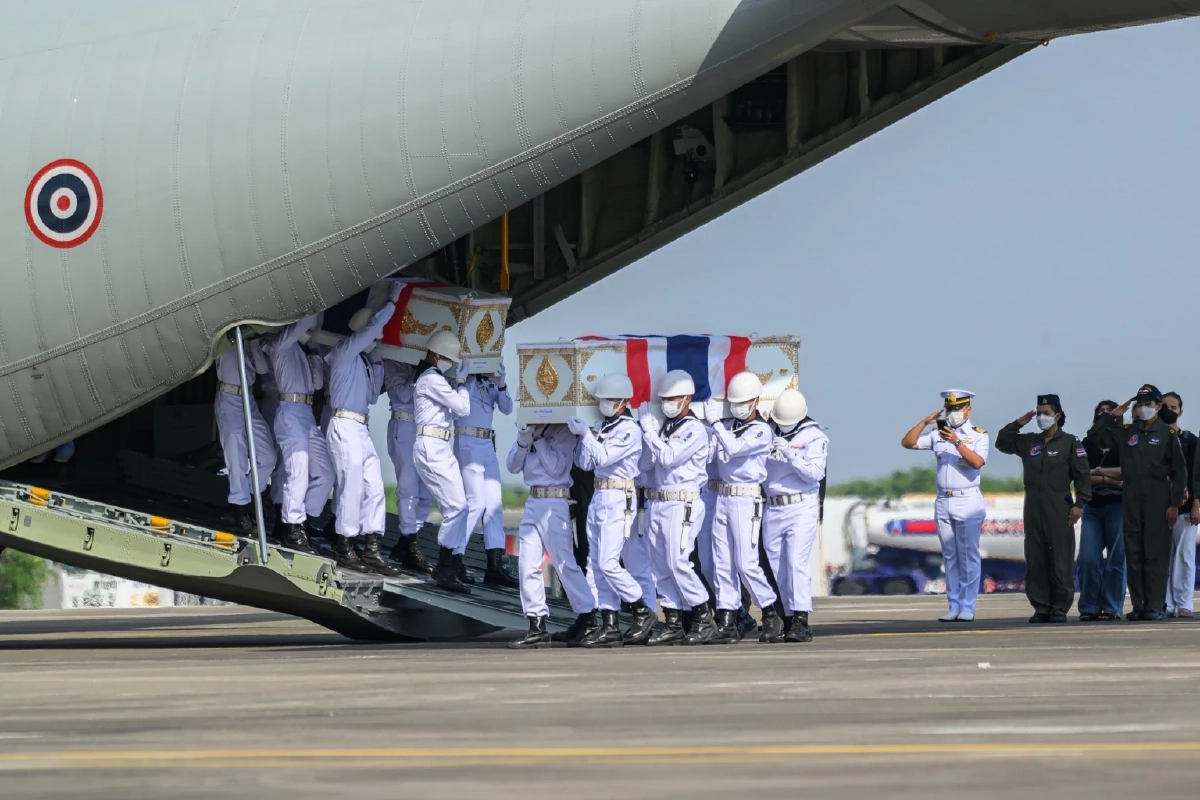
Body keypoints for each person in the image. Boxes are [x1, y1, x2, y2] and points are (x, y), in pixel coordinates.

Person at [569, 373, 656, 647]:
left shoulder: (629, 429)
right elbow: (584, 463)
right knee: (595, 565)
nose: (605, 404)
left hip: (619, 495)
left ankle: (642, 609)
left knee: (608, 562)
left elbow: (605, 457)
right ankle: (610, 622)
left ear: (622, 401)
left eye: (610, 400)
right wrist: (587, 437)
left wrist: (588, 436)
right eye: (602, 400)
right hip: (599, 493)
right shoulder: (602, 427)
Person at [1087, 384, 1187, 621]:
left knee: (1155, 553)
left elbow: (1180, 472)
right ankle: (1139, 605)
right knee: (1134, 553)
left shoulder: (1167, 434)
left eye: (1148, 404)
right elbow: (1094, 436)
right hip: (1131, 499)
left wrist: (1174, 505)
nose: (1144, 408)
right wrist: (1113, 416)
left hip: (1158, 499)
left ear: (1158, 406)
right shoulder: (1128, 432)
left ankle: (1154, 605)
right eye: (1140, 404)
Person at [995, 395, 1091, 623]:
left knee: (1060, 558)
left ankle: (1059, 607)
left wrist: (1079, 504)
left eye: (1046, 413)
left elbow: (1083, 476)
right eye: (1038, 413)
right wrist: (1019, 422)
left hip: (1060, 505)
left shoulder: (1070, 443)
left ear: (1057, 415)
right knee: (1036, 559)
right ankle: (1041, 607)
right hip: (1033, 506)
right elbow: (1002, 442)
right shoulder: (1030, 442)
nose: (1041, 417)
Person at [702, 372, 782, 644]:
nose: (738, 406)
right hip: (723, 496)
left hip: (746, 498)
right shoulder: (727, 427)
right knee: (721, 561)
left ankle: (770, 611)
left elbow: (735, 449)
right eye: (735, 402)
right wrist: (709, 427)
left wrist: (715, 423)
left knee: (746, 562)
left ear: (756, 401)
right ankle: (728, 617)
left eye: (744, 401)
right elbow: (712, 455)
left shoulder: (761, 430)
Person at [639, 369, 715, 645]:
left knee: (678, 561)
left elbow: (669, 458)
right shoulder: (663, 428)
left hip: (683, 503)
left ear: (687, 399)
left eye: (672, 398)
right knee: (660, 565)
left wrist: (650, 432)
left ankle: (703, 616)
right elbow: (647, 463)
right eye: (664, 399)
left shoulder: (694, 429)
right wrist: (648, 434)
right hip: (658, 501)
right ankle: (673, 620)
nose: (667, 403)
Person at [506, 423, 598, 649]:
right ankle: (536, 624)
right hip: (533, 500)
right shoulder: (528, 431)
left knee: (564, 563)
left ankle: (589, 615)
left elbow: (556, 467)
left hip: (556, 501)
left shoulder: (564, 432)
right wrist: (524, 440)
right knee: (527, 565)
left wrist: (538, 440)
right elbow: (512, 466)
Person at [324, 299, 398, 574]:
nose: (378, 336)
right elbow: (372, 329)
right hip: (343, 424)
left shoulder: (365, 362)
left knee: (374, 487)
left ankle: (372, 547)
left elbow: (370, 396)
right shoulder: (344, 352)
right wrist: (390, 303)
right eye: (374, 332)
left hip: (361, 427)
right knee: (351, 485)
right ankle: (344, 545)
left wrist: (378, 363)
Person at [901, 390, 989, 622]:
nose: (952, 413)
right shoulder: (937, 434)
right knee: (950, 555)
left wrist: (957, 442)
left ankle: (968, 606)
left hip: (967, 500)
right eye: (949, 409)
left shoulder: (978, 435)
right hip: (944, 500)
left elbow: (977, 462)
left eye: (957, 409)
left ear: (968, 410)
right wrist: (924, 422)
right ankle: (954, 604)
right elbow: (908, 443)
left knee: (968, 554)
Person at [261, 313, 335, 555]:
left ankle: (301, 521)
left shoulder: (303, 351)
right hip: (289, 411)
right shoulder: (281, 344)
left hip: (305, 413)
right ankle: (292, 528)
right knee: (298, 472)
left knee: (326, 473)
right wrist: (315, 307)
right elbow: (300, 326)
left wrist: (314, 350)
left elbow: (316, 384)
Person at [760, 388, 827, 643]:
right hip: (774, 505)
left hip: (800, 505)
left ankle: (801, 620)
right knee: (778, 567)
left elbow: (815, 474)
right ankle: (787, 618)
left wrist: (791, 454)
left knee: (796, 563)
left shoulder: (814, 436)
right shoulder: (769, 431)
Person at [413, 330, 473, 593]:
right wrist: (461, 384)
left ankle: (452, 563)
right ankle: (444, 567)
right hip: (431, 446)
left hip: (441, 445)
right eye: (448, 359)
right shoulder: (431, 380)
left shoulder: (436, 379)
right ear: (436, 356)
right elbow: (463, 409)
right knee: (455, 506)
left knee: (462, 506)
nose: (451, 364)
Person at [454, 365, 519, 589]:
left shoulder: (490, 381)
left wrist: (500, 382)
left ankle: (495, 564)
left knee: (494, 504)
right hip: (467, 440)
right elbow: (458, 409)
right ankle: (454, 556)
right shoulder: (460, 373)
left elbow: (508, 408)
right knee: (475, 503)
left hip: (486, 443)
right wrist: (466, 378)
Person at [212, 334, 277, 535]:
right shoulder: (227, 335)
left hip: (248, 398)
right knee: (236, 455)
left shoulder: (251, 341)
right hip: (228, 396)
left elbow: (262, 369)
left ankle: (248, 494)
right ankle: (239, 508)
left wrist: (254, 342)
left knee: (268, 457)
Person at [379, 359, 434, 573]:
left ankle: (406, 541)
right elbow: (402, 394)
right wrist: (418, 375)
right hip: (403, 426)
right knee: (408, 489)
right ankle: (410, 544)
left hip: (423, 429)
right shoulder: (394, 364)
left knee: (427, 493)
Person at [1078, 400, 1127, 621]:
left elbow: (1126, 472)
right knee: (1088, 558)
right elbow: (1081, 474)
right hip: (1092, 506)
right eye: (1101, 412)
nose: (1106, 415)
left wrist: (1098, 474)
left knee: (1116, 559)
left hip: (1118, 505)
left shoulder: (1127, 440)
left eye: (1110, 412)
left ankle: (1111, 607)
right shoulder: (1088, 443)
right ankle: (1089, 606)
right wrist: (1108, 476)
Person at [1162, 392, 1199, 618]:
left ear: (1180, 412)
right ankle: (1165, 603)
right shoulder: (1153, 439)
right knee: (1164, 557)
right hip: (1159, 507)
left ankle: (1184, 602)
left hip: (1186, 510)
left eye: (1173, 407)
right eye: (1165, 406)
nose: (1169, 410)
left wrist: (1196, 504)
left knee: (1184, 557)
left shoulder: (1190, 440)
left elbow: (1197, 474)